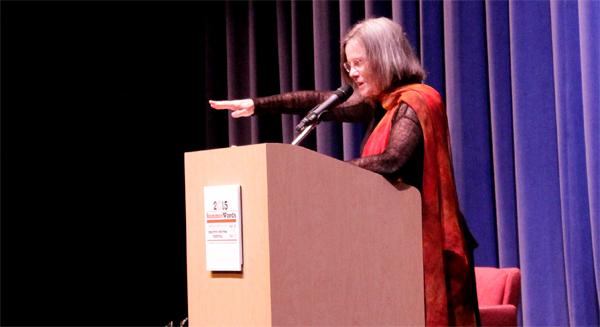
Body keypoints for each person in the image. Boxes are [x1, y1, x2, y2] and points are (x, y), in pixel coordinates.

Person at [209, 17, 479, 326]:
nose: (352, 73)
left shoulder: (418, 100)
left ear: (383, 56)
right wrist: (257, 105)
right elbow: (319, 102)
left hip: (423, 245)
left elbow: (393, 161)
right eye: (349, 66)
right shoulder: (383, 105)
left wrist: (318, 173)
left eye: (358, 63)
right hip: (393, 244)